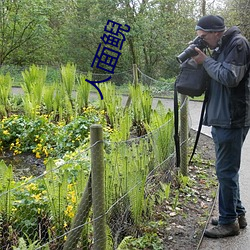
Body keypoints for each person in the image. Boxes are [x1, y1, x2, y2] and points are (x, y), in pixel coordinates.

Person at [192, 15, 250, 238]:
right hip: (222, 117)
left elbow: (229, 77)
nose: (203, 41)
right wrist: (202, 59)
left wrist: (205, 61)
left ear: (216, 32)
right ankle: (237, 214)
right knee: (227, 171)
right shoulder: (221, 46)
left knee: (225, 171)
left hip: (232, 118)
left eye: (204, 37)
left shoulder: (238, 44)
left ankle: (228, 223)